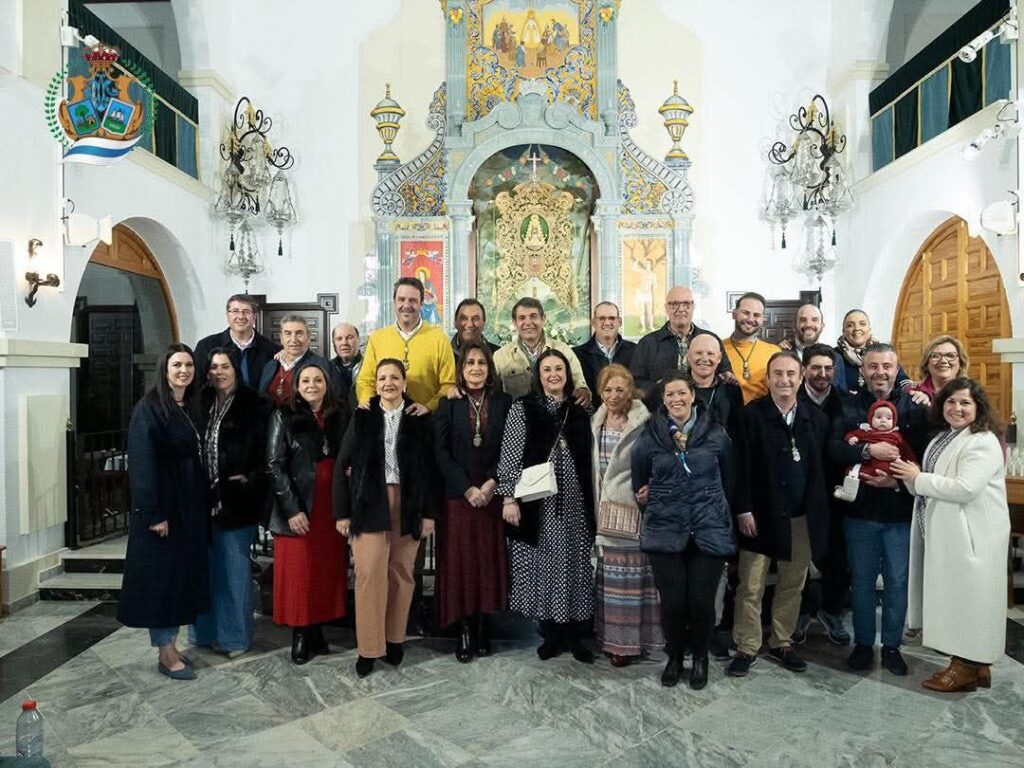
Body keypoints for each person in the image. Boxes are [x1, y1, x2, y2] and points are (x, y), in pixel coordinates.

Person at [892, 377, 1009, 692]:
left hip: (972, 534)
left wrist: (918, 477)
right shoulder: (945, 436)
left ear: (978, 407)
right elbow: (928, 480)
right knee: (964, 596)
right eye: (951, 402)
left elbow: (965, 488)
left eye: (965, 403)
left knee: (969, 599)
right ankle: (977, 663)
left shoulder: (982, 440)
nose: (957, 408)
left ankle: (965, 666)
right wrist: (906, 475)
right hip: (948, 529)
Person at [727, 351, 829, 678]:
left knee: (792, 582)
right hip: (759, 516)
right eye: (777, 374)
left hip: (800, 517)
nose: (784, 380)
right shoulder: (750, 416)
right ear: (767, 379)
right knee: (751, 586)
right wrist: (743, 508)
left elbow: (821, 471)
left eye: (790, 374)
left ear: (800, 378)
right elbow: (738, 467)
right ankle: (747, 644)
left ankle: (782, 640)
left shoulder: (816, 419)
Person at [829, 343, 928, 676]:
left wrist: (897, 482)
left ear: (896, 368)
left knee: (898, 582)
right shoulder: (846, 405)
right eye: (873, 366)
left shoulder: (914, 408)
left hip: (900, 514)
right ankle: (862, 644)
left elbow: (923, 460)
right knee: (862, 582)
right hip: (859, 515)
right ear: (863, 370)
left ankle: (891, 646)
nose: (880, 373)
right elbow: (833, 449)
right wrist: (868, 451)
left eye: (887, 366)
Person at [631, 372, 735, 688]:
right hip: (665, 530)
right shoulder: (649, 437)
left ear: (693, 396)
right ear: (663, 401)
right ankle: (675, 656)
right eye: (670, 395)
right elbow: (640, 486)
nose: (676, 399)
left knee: (701, 602)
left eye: (682, 393)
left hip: (708, 528)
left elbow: (729, 483)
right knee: (673, 602)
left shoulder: (716, 434)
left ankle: (700, 657)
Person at [335, 359, 438, 678]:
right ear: (375, 384)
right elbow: (343, 464)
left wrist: (429, 514)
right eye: (382, 378)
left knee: (402, 575)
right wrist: (342, 513)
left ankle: (394, 640)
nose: (388, 383)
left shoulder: (419, 419)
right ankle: (369, 648)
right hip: (369, 504)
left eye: (395, 378)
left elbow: (431, 470)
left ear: (405, 384)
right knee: (368, 576)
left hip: (408, 504)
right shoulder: (363, 416)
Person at [497, 349, 595, 663]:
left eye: (559, 369)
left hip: (576, 501)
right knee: (545, 564)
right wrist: (509, 498)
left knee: (575, 563)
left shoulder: (580, 411)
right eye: (547, 370)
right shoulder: (523, 408)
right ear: (538, 376)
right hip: (539, 503)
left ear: (567, 374)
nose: (554, 374)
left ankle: (575, 635)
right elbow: (510, 455)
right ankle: (551, 633)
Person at [118, 344, 208, 681]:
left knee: (178, 580)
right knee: (161, 583)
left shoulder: (190, 405)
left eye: (188, 364)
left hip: (187, 509)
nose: (183, 370)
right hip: (162, 512)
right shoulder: (150, 408)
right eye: (176, 365)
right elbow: (141, 464)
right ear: (164, 369)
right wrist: (154, 513)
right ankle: (166, 653)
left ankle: (172, 645)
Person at [266, 359, 351, 664]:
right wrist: (292, 509)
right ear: (296, 387)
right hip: (299, 506)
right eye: (305, 381)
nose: (312, 386)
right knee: (300, 574)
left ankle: (316, 630)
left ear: (327, 384)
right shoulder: (283, 415)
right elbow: (274, 466)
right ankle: (300, 634)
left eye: (318, 380)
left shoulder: (340, 415)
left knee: (324, 572)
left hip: (332, 506)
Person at [190, 349, 271, 659]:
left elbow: (267, 451)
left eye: (225, 366)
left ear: (236, 369)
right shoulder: (201, 401)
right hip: (201, 500)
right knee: (206, 570)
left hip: (237, 501)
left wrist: (250, 478)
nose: (219, 372)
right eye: (213, 367)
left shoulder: (256, 403)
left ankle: (234, 638)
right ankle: (204, 633)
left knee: (233, 572)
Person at [434, 344, 512, 662]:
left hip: (491, 495)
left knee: (486, 563)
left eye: (482, 362)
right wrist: (467, 488)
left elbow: (511, 447)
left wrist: (493, 483)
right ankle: (464, 629)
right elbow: (440, 453)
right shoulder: (448, 404)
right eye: (470, 363)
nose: (476, 367)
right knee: (460, 564)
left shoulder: (505, 403)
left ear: (490, 369)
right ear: (461, 368)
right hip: (458, 497)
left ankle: (482, 626)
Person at [590, 364, 662, 666]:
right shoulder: (596, 420)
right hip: (604, 512)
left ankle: (635, 643)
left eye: (620, 389)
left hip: (632, 512)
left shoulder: (644, 422)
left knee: (634, 583)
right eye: (608, 390)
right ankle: (613, 642)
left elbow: (660, 458)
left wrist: (650, 487)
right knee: (611, 583)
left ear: (630, 390)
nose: (614, 395)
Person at [793, 344, 851, 646]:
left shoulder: (845, 403)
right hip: (801, 493)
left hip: (838, 493)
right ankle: (801, 612)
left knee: (837, 557)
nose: (823, 374)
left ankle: (831, 611)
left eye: (829, 369)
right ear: (805, 369)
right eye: (816, 368)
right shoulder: (793, 402)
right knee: (800, 558)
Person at [356, 277, 456, 413]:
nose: (406, 305)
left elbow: (449, 384)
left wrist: (428, 407)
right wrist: (370, 404)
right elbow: (365, 381)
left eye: (413, 300)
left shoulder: (439, 339)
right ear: (394, 303)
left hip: (426, 422)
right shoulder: (377, 339)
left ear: (421, 304)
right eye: (401, 300)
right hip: (384, 421)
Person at [630, 285, 730, 406]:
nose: (681, 309)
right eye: (674, 304)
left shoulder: (710, 340)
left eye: (686, 304)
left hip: (705, 412)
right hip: (659, 413)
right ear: (666, 308)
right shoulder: (648, 343)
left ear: (693, 307)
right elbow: (635, 383)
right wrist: (661, 388)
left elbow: (724, 375)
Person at [492, 297, 590, 406]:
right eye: (522, 318)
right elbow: (491, 393)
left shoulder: (563, 350)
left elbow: (580, 385)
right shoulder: (500, 356)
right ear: (514, 322)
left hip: (557, 418)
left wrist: (582, 391)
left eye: (534, 316)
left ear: (543, 319)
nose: (528, 322)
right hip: (516, 418)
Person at [834, 401, 917, 502]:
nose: (883, 421)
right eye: (878, 417)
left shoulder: (897, 436)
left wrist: (911, 463)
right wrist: (852, 438)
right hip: (867, 467)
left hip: (890, 470)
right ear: (870, 419)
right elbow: (851, 435)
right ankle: (848, 492)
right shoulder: (866, 432)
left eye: (888, 418)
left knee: (900, 470)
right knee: (853, 472)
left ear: (894, 421)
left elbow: (907, 451)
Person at [194, 294, 280, 388]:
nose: (240, 316)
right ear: (227, 315)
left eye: (246, 312)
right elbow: (196, 383)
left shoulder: (272, 350)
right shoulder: (206, 346)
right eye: (235, 311)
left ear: (254, 316)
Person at [258, 315, 332, 406]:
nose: (293, 339)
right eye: (288, 333)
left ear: (308, 337)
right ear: (281, 338)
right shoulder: (270, 366)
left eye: (299, 333)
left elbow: (337, 403)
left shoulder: (324, 366)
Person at [833, 310, 913, 395]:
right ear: (843, 331)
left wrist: (913, 392)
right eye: (850, 325)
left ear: (869, 329)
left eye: (862, 324)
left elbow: (902, 380)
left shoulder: (882, 353)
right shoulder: (833, 356)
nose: (857, 328)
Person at [722, 292, 781, 405]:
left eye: (756, 315)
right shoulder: (717, 348)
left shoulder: (774, 352)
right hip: (726, 418)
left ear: (762, 319)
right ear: (734, 314)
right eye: (745, 313)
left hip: (761, 419)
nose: (750, 319)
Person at [573, 302, 637, 399]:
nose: (607, 323)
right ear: (593, 322)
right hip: (592, 413)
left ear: (619, 322)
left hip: (628, 411)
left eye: (612, 318)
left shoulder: (636, 351)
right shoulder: (576, 355)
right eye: (602, 318)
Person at [687, 333, 744, 439]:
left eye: (710, 354)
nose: (704, 358)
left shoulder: (732, 390)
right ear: (688, 356)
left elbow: (739, 434)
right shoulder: (675, 389)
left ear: (719, 358)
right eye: (698, 353)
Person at [909, 335, 968, 403]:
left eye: (951, 355)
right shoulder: (912, 393)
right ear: (926, 363)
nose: (943, 361)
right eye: (936, 356)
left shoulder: (971, 394)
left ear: (960, 363)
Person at [329, 322, 363, 405]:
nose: (344, 343)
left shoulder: (370, 366)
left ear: (358, 340)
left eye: (350, 337)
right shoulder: (327, 368)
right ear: (334, 344)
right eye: (339, 339)